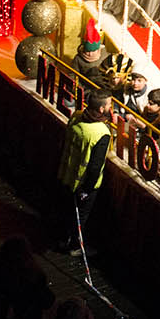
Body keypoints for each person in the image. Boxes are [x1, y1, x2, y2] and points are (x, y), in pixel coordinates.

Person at [55, 96, 114, 253]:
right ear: (102, 109)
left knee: (65, 210)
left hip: (66, 173)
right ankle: (75, 246)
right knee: (79, 217)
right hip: (83, 183)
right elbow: (95, 166)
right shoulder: (102, 132)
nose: (111, 106)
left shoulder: (76, 116)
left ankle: (62, 238)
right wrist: (87, 189)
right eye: (109, 104)